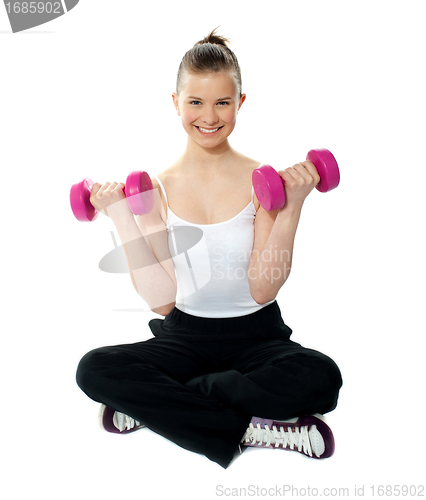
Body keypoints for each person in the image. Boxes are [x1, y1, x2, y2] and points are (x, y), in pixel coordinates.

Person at [76, 27, 343, 469]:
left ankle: (158, 408)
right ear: (176, 103)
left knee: (322, 377)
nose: (209, 116)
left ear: (239, 103)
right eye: (196, 102)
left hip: (257, 337)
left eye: (222, 102)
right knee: (94, 369)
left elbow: (263, 290)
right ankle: (249, 428)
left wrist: (293, 205)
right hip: (185, 337)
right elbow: (162, 303)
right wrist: (122, 215)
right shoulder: (155, 190)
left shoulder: (265, 182)